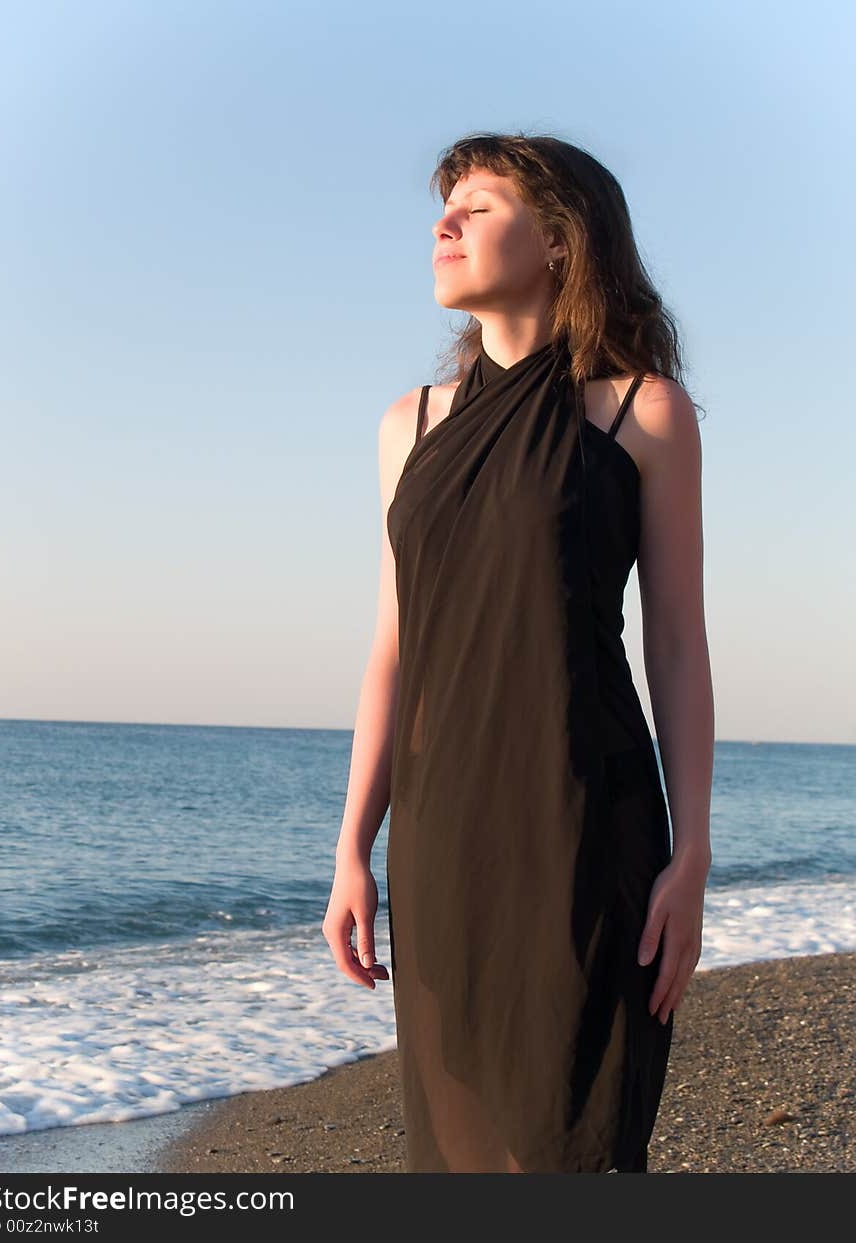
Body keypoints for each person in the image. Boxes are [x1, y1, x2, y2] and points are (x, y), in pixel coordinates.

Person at [322, 132, 713, 1174]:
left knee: (571, 1145)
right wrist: (352, 846)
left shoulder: (642, 414)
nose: (443, 224)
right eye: (442, 208)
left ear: (558, 240)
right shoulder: (408, 425)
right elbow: (393, 649)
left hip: (587, 826)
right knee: (454, 1155)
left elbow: (677, 644)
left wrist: (693, 852)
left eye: (477, 205)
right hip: (444, 843)